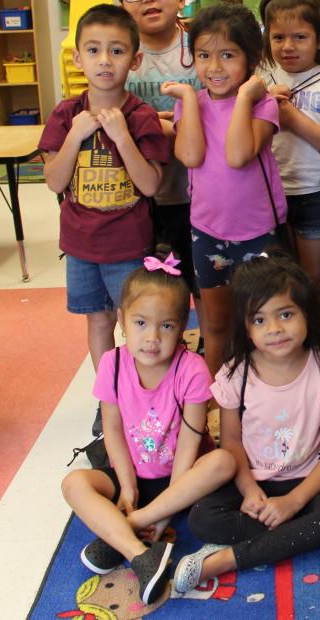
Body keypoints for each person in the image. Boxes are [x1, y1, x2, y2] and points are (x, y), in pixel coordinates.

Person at [176, 254, 320, 593]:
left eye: (286, 314)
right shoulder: (237, 372)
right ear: (246, 328)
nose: (275, 329)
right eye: (260, 320)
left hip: (310, 481)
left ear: (306, 314)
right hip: (253, 481)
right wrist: (249, 490)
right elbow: (231, 443)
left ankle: (227, 559)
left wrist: (293, 502)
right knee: (202, 517)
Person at [60, 252, 236, 606]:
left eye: (166, 326)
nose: (152, 337)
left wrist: (167, 507)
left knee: (224, 462)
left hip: (181, 476)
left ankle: (125, 528)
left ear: (183, 325)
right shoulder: (111, 363)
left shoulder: (193, 368)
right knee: (74, 483)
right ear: (122, 320)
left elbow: (190, 439)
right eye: (141, 323)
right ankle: (141, 554)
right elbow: (111, 429)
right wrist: (126, 486)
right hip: (132, 472)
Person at [40, 5, 168, 377]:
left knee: (136, 324)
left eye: (117, 50)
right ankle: (108, 394)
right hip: (80, 246)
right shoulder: (67, 115)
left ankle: (139, 393)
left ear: (135, 59)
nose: (105, 61)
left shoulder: (141, 117)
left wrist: (122, 136)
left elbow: (149, 184)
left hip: (127, 246)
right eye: (93, 50)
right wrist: (76, 136)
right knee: (97, 323)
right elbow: (54, 181)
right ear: (78, 58)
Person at [160, 4, 285, 379]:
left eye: (227, 55)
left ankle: (265, 391)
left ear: (251, 59)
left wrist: (245, 98)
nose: (214, 67)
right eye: (203, 56)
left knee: (261, 324)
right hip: (208, 233)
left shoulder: (262, 105)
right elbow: (189, 154)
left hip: (258, 232)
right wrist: (187, 99)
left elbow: (237, 155)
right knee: (215, 324)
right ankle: (215, 401)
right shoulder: (192, 104)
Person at [259, 0, 320, 318]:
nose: (288, 46)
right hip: (269, 193)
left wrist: (293, 119)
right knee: (278, 279)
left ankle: (319, 345)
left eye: (300, 37)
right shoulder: (262, 80)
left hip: (315, 194)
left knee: (313, 280)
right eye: (278, 37)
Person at [114, 0, 200, 296]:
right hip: (135, 197)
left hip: (194, 193)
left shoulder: (203, 50)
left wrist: (176, 128)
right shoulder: (115, 56)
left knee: (200, 281)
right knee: (146, 289)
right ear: (122, 4)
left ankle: (209, 343)